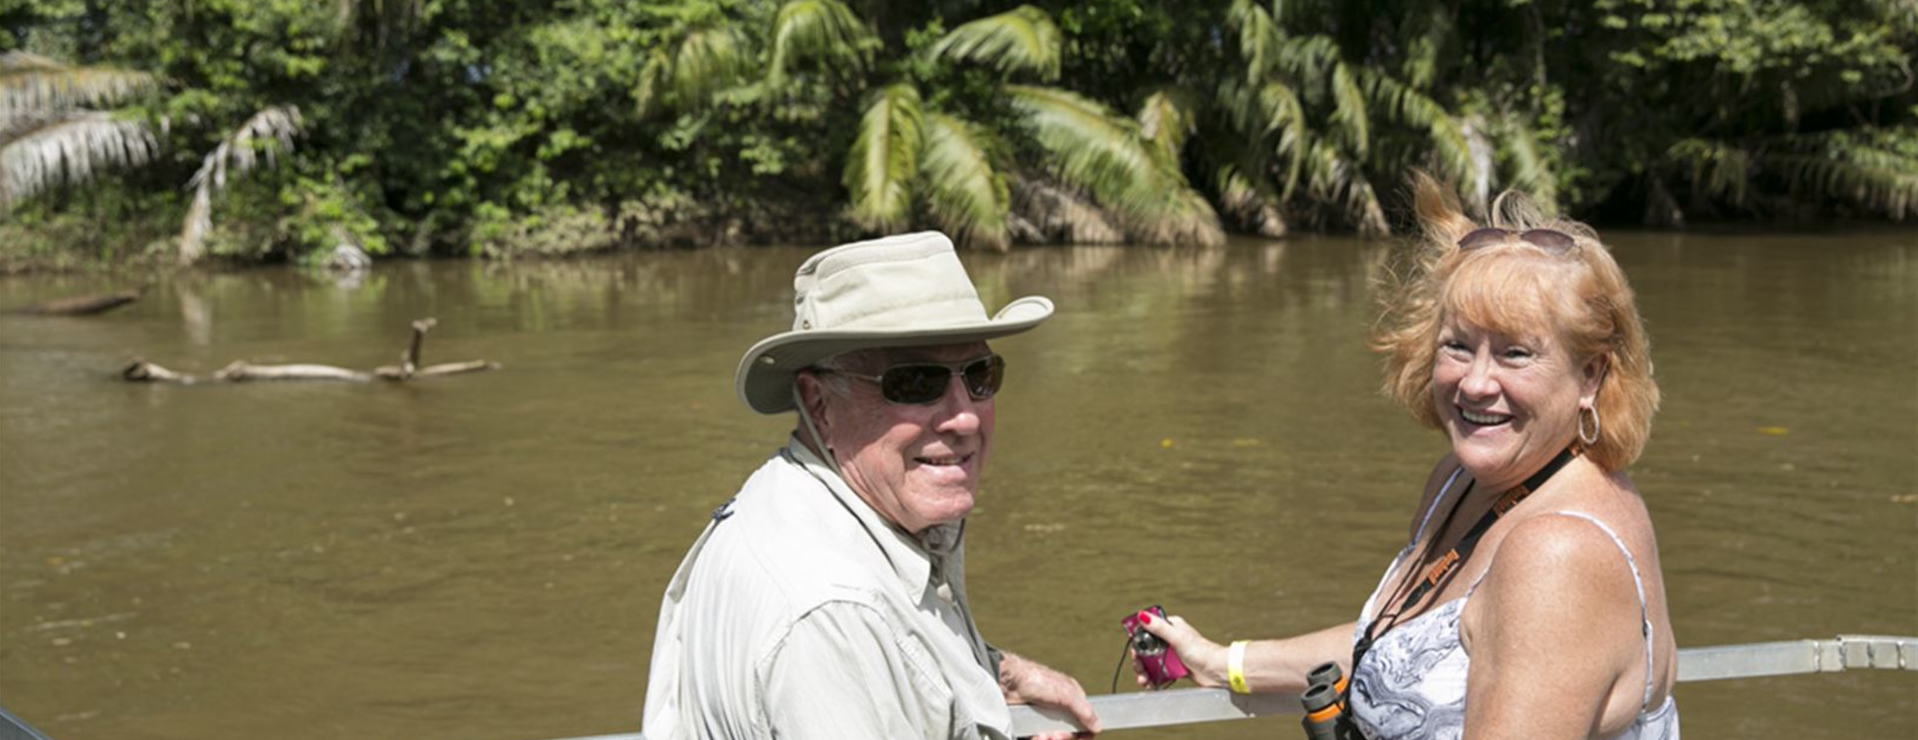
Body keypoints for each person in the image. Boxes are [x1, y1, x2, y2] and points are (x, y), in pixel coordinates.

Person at [1137, 174, 1679, 740]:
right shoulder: (1463, 483)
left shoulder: (1557, 557)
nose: (1474, 383)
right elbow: (1397, 644)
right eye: (1458, 346)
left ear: (1590, 375)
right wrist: (1223, 663)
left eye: (1515, 354)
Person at [643, 230, 1101, 740]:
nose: (964, 418)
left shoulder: (784, 499)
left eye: (980, 374)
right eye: (915, 383)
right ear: (818, 403)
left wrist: (994, 674)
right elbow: (849, 648)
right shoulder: (833, 616)